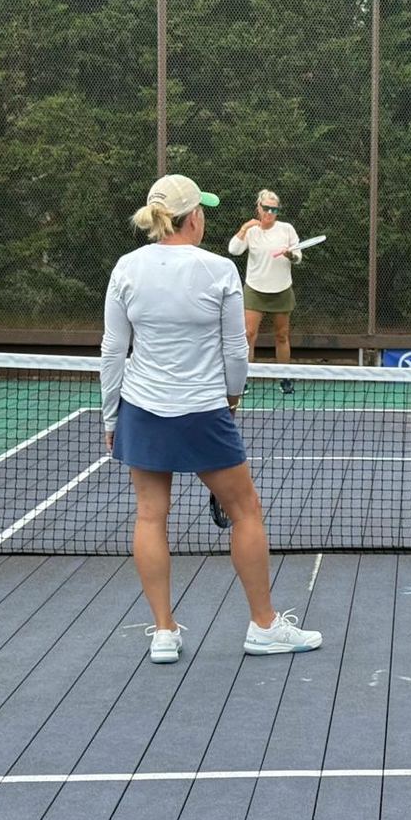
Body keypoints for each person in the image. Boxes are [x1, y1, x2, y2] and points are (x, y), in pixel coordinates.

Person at [102, 174, 322, 664]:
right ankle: (263, 627)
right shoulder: (219, 270)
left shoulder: (127, 267)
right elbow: (235, 351)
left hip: (141, 407)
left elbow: (114, 350)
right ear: (193, 217)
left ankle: (163, 632)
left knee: (149, 516)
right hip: (204, 410)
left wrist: (111, 415)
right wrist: (233, 398)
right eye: (201, 209)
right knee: (246, 512)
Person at [228, 189, 302, 394]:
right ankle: (243, 379)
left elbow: (298, 256)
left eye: (274, 209)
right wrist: (244, 228)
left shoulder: (287, 229)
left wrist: (291, 256)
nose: (269, 212)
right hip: (255, 289)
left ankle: (285, 378)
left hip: (281, 290)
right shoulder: (251, 231)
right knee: (248, 335)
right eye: (266, 208)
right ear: (258, 208)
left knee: (282, 335)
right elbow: (233, 250)